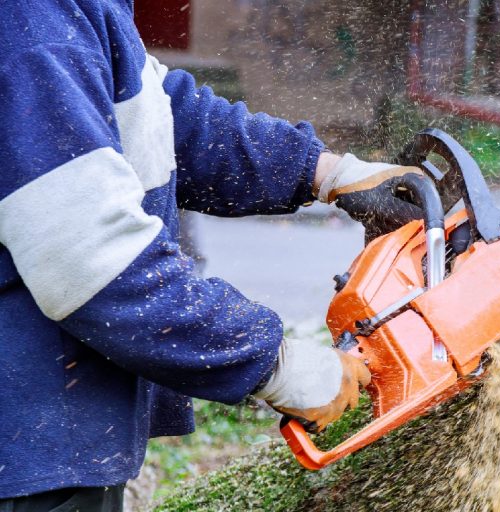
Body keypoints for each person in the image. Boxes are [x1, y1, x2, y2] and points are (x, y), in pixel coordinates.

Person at [0, 1, 424, 510]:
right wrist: (275, 364)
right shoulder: (33, 18)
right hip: (24, 448)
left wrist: (323, 170)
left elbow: (151, 109)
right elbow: (95, 262)